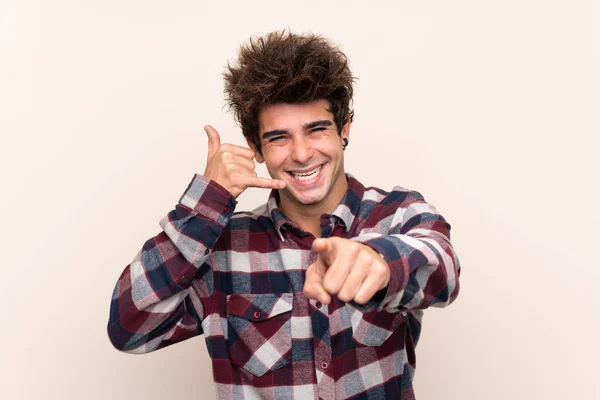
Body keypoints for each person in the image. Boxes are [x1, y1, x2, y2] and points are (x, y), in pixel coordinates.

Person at [107, 30, 461, 400]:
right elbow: (130, 327)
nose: (303, 153)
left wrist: (378, 263)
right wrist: (205, 203)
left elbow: (443, 270)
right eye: (279, 138)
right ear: (255, 148)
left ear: (344, 130)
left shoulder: (398, 214)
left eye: (317, 130)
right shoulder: (222, 249)